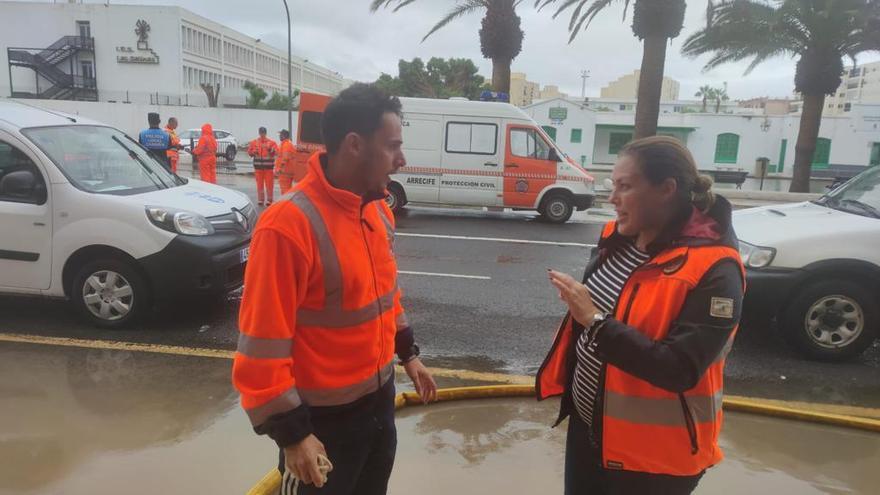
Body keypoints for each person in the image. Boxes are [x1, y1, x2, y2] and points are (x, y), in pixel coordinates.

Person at [232, 83, 437, 495]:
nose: (401, 159)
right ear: (355, 145)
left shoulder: (376, 209)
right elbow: (261, 353)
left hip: (378, 409)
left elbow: (384, 296)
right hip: (320, 429)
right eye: (393, 146)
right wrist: (293, 436)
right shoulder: (287, 227)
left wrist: (407, 354)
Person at [537, 136, 745, 495]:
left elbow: (678, 368)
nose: (612, 198)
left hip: (654, 461)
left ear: (666, 189)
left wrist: (595, 321)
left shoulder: (716, 269)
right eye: (612, 185)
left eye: (625, 187)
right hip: (591, 429)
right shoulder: (615, 238)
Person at [247, 127, 279, 206]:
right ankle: (260, 199)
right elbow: (249, 152)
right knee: (259, 185)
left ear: (265, 133)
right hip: (258, 168)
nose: (262, 134)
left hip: (268, 168)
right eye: (261, 132)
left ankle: (269, 200)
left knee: (269, 185)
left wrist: (272, 150)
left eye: (263, 132)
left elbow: (276, 151)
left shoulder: (271, 142)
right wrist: (253, 152)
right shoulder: (254, 142)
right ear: (259, 133)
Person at [275, 129, 296, 194]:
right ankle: (287, 203)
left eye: (280, 135)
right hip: (287, 171)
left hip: (285, 172)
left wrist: (280, 169)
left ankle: (286, 203)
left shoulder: (286, 145)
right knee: (287, 190)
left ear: (283, 136)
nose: (279, 136)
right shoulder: (287, 144)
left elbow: (285, 158)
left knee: (285, 191)